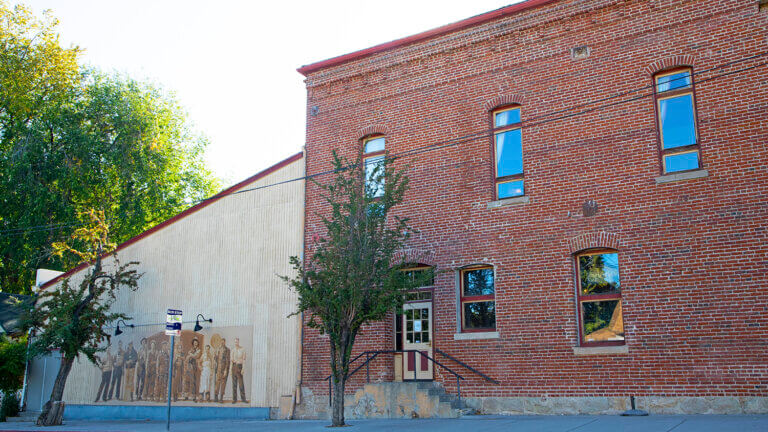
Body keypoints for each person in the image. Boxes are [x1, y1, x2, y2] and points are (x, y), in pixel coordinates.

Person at [231, 337, 247, 403]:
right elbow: (231, 361)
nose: (236, 343)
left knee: (241, 384)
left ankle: (243, 399)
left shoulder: (242, 349)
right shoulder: (233, 350)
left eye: (237, 342)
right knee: (234, 384)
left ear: (238, 342)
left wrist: (243, 368)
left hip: (240, 367)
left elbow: (244, 360)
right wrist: (230, 370)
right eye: (235, 342)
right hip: (234, 367)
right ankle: (234, 399)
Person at [213, 338, 230, 403]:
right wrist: (215, 356)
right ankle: (216, 397)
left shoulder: (227, 350)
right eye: (221, 342)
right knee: (217, 383)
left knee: (223, 383)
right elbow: (217, 359)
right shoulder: (218, 349)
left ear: (225, 342)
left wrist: (226, 370)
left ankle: (221, 398)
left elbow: (227, 360)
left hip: (224, 368)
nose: (222, 343)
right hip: (218, 368)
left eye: (223, 342)